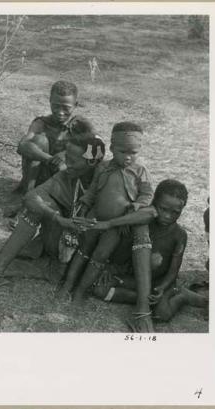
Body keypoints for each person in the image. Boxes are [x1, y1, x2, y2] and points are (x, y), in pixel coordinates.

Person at [88, 180, 207, 329]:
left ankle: (182, 296)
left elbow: (173, 270)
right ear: (153, 203)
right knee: (99, 290)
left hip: (160, 283)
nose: (168, 216)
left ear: (182, 209)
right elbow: (120, 250)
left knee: (161, 315)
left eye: (175, 212)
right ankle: (144, 299)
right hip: (135, 280)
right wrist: (109, 268)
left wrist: (163, 287)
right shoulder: (141, 225)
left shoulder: (179, 235)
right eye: (163, 209)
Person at [57, 122, 153, 305]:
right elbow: (93, 191)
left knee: (99, 256)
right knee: (83, 249)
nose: (128, 157)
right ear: (112, 148)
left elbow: (147, 194)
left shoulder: (141, 172)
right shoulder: (103, 168)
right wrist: (84, 205)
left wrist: (137, 205)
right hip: (94, 218)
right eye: (122, 151)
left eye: (133, 153)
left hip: (116, 226)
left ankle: (80, 291)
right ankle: (67, 286)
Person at [0, 133, 106, 281]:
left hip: (91, 250)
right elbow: (31, 197)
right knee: (37, 208)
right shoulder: (67, 176)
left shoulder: (108, 182)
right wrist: (58, 219)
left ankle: (60, 271)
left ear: (92, 162)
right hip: (67, 239)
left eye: (73, 160)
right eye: (66, 158)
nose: (67, 164)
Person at [16, 80, 89, 194]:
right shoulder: (41, 123)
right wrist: (51, 160)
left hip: (65, 177)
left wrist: (67, 154)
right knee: (39, 140)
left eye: (66, 108)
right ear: (50, 101)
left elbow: (98, 151)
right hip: (39, 178)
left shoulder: (82, 126)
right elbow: (22, 146)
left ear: (76, 105)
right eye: (56, 106)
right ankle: (28, 192)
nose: (60, 112)